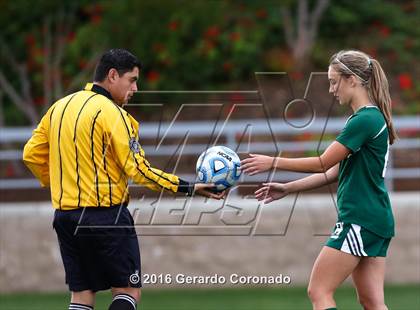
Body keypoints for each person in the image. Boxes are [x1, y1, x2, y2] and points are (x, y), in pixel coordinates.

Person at [23, 48, 223, 310]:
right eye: (132, 80)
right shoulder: (114, 115)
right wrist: (188, 187)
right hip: (106, 217)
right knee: (127, 290)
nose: (136, 88)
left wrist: (65, 182)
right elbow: (138, 170)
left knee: (82, 295)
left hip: (65, 218)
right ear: (113, 75)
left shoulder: (59, 108)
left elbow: (31, 154)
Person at [241, 50, 397, 310]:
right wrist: (288, 188)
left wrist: (273, 162)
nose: (331, 89)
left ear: (353, 80)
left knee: (319, 291)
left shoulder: (365, 120)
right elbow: (334, 172)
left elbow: (323, 161)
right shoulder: (369, 118)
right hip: (375, 218)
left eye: (334, 81)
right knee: (372, 302)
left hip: (360, 218)